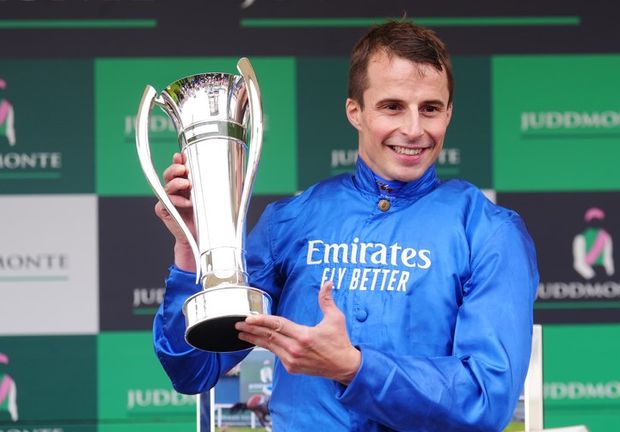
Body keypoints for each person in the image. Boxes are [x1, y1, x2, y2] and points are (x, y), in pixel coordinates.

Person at [153, 20, 538, 431]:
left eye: (430, 108)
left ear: (449, 113)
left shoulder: (490, 232)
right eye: (392, 107)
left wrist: (355, 367)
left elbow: (488, 398)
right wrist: (192, 252)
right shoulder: (291, 222)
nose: (413, 129)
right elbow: (194, 369)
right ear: (355, 111)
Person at [0, 353, 18, 423]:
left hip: (5, 416)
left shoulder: (9, 381)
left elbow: (12, 402)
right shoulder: (9, 381)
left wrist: (14, 418)